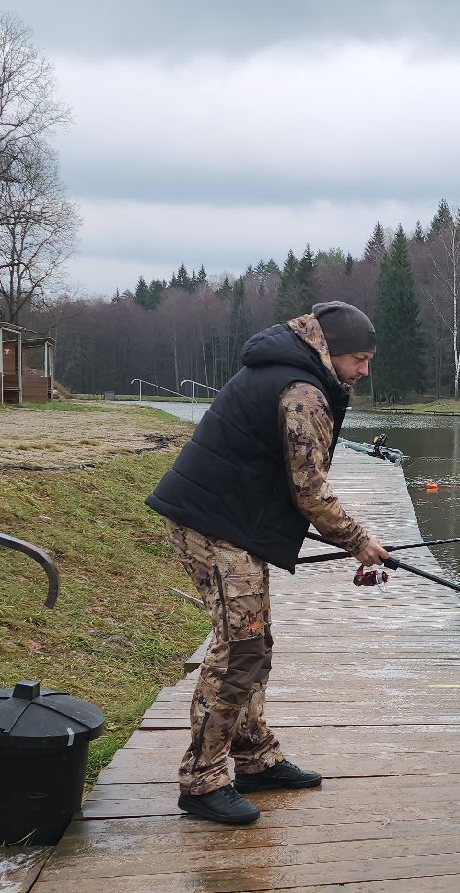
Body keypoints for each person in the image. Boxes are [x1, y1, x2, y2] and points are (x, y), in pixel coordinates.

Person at [145, 300, 391, 825]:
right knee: (241, 648)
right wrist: (358, 540)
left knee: (254, 642)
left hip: (229, 518)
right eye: (360, 359)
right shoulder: (303, 392)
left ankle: (254, 757)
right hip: (213, 523)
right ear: (331, 351)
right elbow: (310, 489)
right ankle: (202, 780)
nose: (364, 371)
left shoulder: (293, 370)